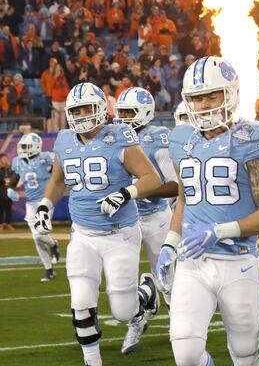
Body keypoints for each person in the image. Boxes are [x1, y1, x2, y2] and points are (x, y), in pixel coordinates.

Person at [157, 56, 259, 366]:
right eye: (196, 97)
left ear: (231, 94)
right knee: (185, 353)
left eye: (211, 95)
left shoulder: (251, 138)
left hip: (238, 262)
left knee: (244, 356)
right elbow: (184, 199)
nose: (203, 104)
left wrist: (219, 231)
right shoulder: (180, 140)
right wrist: (169, 245)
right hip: (193, 262)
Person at [34, 82, 162, 366]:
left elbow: (152, 178)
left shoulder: (119, 136)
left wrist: (125, 193)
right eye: (75, 110)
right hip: (83, 235)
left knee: (123, 310)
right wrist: (45, 205)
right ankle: (93, 361)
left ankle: (146, 293)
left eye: (86, 108)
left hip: (121, 235)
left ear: (103, 108)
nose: (80, 115)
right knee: (80, 302)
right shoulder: (65, 139)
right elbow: (57, 181)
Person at [114, 87, 180, 354]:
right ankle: (137, 318)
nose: (123, 118)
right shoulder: (113, 138)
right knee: (122, 278)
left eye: (129, 112)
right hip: (126, 219)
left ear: (144, 112)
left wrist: (139, 188)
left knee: (167, 277)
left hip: (155, 217)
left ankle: (180, 326)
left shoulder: (157, 138)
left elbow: (174, 186)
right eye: (120, 112)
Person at [8, 133, 60, 281]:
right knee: (37, 238)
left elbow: (57, 175)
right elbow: (15, 177)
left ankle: (53, 245)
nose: (24, 149)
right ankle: (49, 268)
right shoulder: (17, 161)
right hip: (30, 203)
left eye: (27, 146)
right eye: (23, 146)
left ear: (36, 146)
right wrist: (11, 189)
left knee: (40, 233)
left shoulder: (45, 158)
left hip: (46, 201)